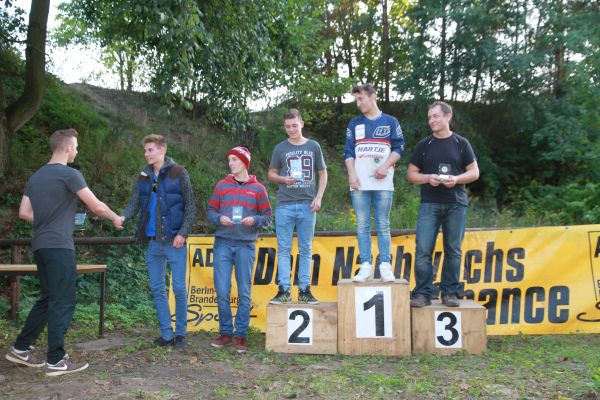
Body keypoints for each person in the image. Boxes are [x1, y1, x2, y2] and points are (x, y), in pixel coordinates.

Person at [4, 129, 123, 376]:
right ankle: (55, 361)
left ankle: (20, 348)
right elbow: (96, 206)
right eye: (76, 147)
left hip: (40, 245)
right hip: (59, 246)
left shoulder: (36, 176)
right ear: (68, 147)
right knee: (62, 301)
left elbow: (24, 213)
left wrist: (47, 220)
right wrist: (115, 217)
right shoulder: (70, 174)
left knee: (48, 297)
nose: (76, 151)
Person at [121, 134, 196, 348]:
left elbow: (191, 206)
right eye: (145, 150)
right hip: (153, 242)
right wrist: (122, 217)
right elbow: (134, 203)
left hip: (175, 241)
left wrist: (183, 233)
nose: (146, 154)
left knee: (179, 289)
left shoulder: (178, 172)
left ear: (162, 150)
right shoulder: (144, 176)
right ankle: (166, 333)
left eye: (150, 150)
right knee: (157, 288)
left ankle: (180, 334)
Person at [406, 101, 479, 307]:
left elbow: (474, 172)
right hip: (429, 203)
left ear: (448, 117)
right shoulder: (424, 145)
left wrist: (456, 179)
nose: (432, 120)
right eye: (429, 117)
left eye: (436, 116)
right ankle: (422, 293)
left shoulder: (461, 143)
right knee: (423, 249)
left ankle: (450, 293)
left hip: (456, 203)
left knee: (453, 250)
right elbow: (411, 175)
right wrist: (428, 178)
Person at [207, 147, 272, 353]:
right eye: (229, 160)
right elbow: (210, 212)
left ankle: (241, 335)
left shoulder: (258, 189)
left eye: (234, 160)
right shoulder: (221, 186)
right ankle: (225, 333)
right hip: (223, 244)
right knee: (222, 290)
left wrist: (255, 220)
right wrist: (219, 219)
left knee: (244, 292)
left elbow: (268, 217)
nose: (231, 163)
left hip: (246, 245)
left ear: (245, 162)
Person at [344, 83, 405, 282]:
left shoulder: (390, 121)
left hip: (383, 183)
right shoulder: (354, 124)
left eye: (361, 99)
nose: (358, 104)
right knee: (362, 225)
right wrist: (352, 175)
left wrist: (385, 166)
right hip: (359, 184)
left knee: (383, 224)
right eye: (356, 100)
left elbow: (399, 148)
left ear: (373, 96)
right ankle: (365, 266)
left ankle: (385, 266)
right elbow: (348, 152)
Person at [268, 109, 328, 304]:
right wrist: (283, 179)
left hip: (307, 204)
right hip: (285, 205)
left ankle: (304, 290)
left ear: (301, 124)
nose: (291, 129)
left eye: (294, 125)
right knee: (284, 249)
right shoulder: (280, 148)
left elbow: (323, 173)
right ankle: (284, 290)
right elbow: (271, 174)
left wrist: (319, 197)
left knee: (306, 248)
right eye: (287, 126)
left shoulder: (313, 146)